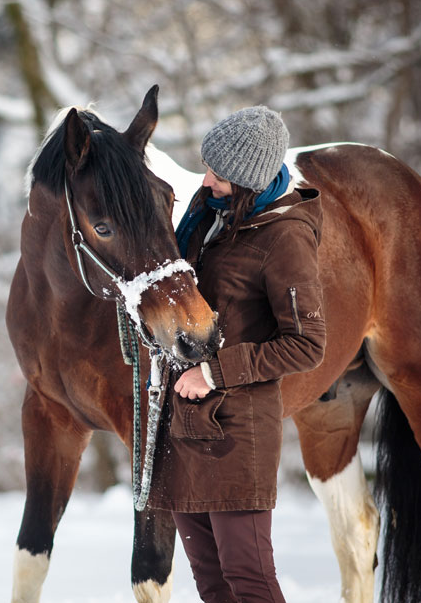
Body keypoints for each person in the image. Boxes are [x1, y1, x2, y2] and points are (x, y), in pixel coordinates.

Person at [149, 106, 327, 603]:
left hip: (238, 429)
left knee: (247, 577)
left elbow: (308, 343)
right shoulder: (208, 217)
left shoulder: (284, 236)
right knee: (211, 581)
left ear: (249, 181)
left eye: (219, 175)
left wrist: (214, 371)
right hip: (185, 423)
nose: (205, 181)